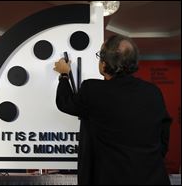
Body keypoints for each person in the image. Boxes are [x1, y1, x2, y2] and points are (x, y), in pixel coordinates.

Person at [53, 35, 172, 185]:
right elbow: (164, 134)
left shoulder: (93, 90)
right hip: (153, 178)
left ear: (104, 64)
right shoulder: (153, 92)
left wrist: (64, 74)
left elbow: (65, 103)